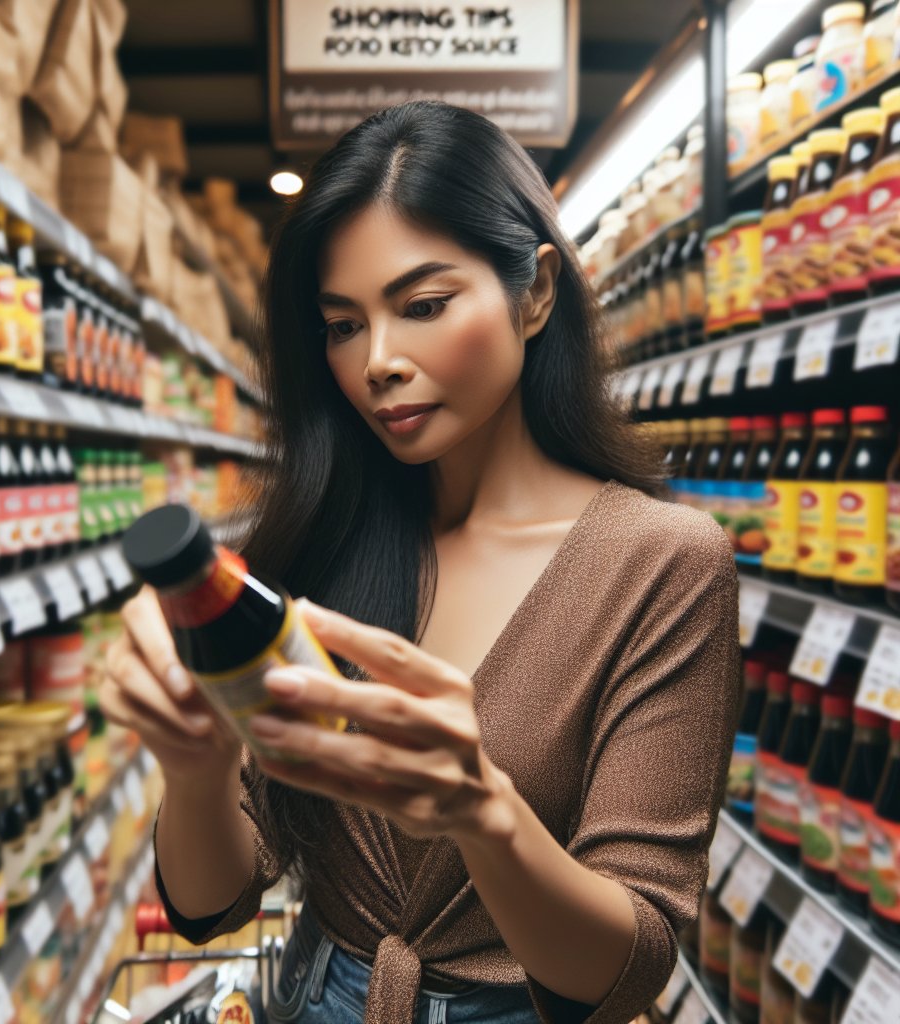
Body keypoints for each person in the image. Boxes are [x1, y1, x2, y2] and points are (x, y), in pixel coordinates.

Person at [101, 101, 740, 1024]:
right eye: (342, 324)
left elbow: (629, 964)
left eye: (423, 306)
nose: (378, 362)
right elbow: (210, 905)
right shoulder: (326, 536)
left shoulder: (661, 565)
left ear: (535, 291)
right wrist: (194, 768)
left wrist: (484, 812)